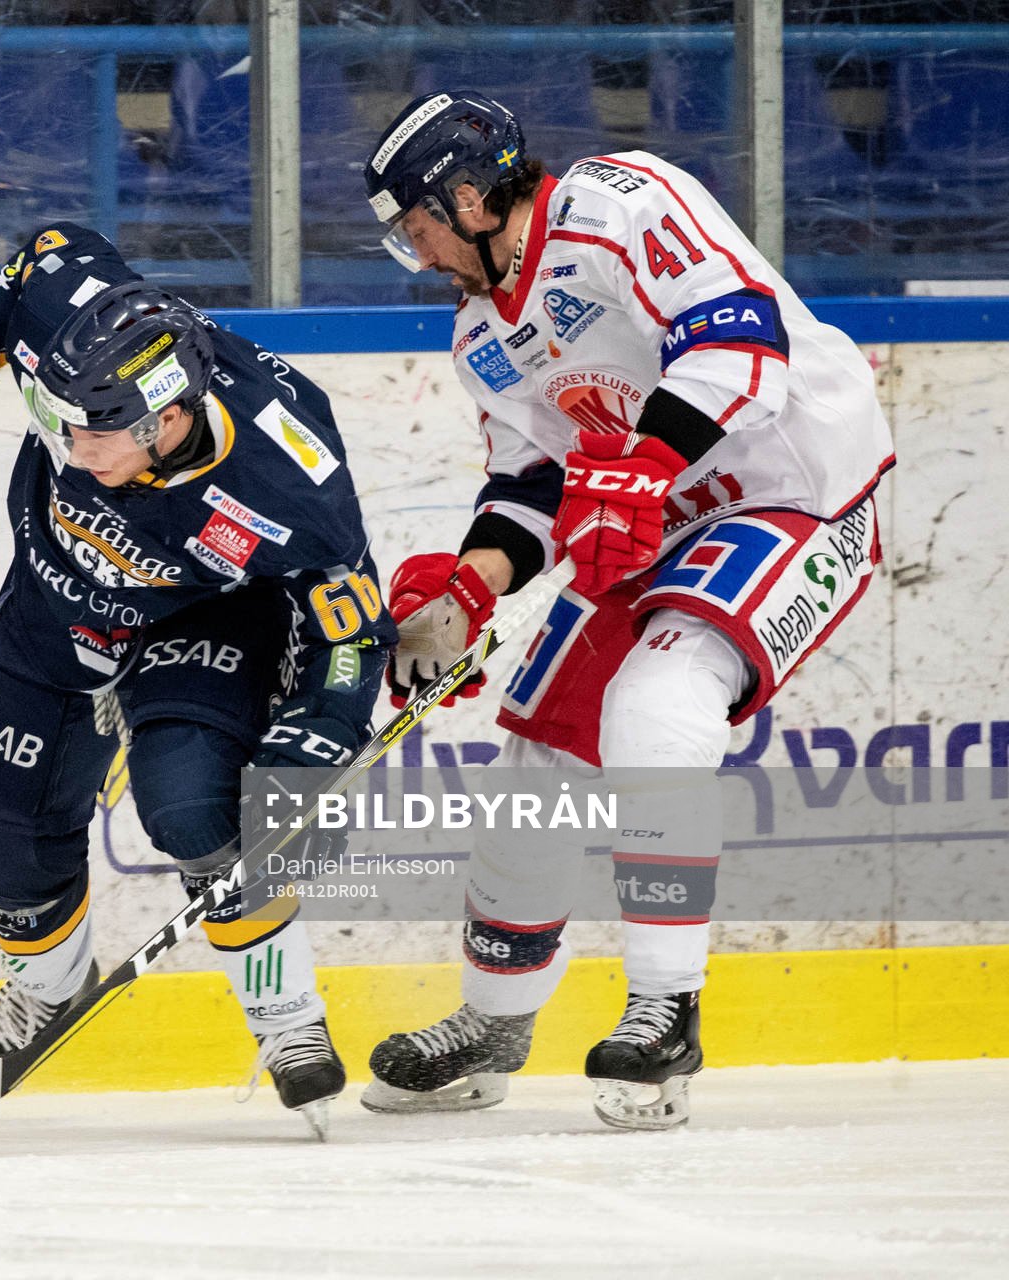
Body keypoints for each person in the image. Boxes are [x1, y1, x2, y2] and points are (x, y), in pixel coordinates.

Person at [355, 93, 893, 1128]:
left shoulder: (618, 202)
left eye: (417, 225)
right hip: (653, 519)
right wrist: (470, 587)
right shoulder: (482, 334)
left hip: (796, 490)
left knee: (657, 702)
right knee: (537, 756)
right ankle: (494, 1022)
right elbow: (532, 485)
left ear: (469, 198)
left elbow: (739, 337)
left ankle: (665, 1008)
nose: (416, 253)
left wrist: (643, 465)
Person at [0, 222, 397, 1132]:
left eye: (96, 434)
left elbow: (351, 622)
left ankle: (286, 1018)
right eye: (59, 422)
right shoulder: (76, 320)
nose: (72, 450)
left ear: (169, 418)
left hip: (198, 618)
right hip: (54, 603)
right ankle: (48, 988)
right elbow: (44, 253)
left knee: (195, 810)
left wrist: (325, 724)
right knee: (3, 848)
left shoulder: (287, 473)